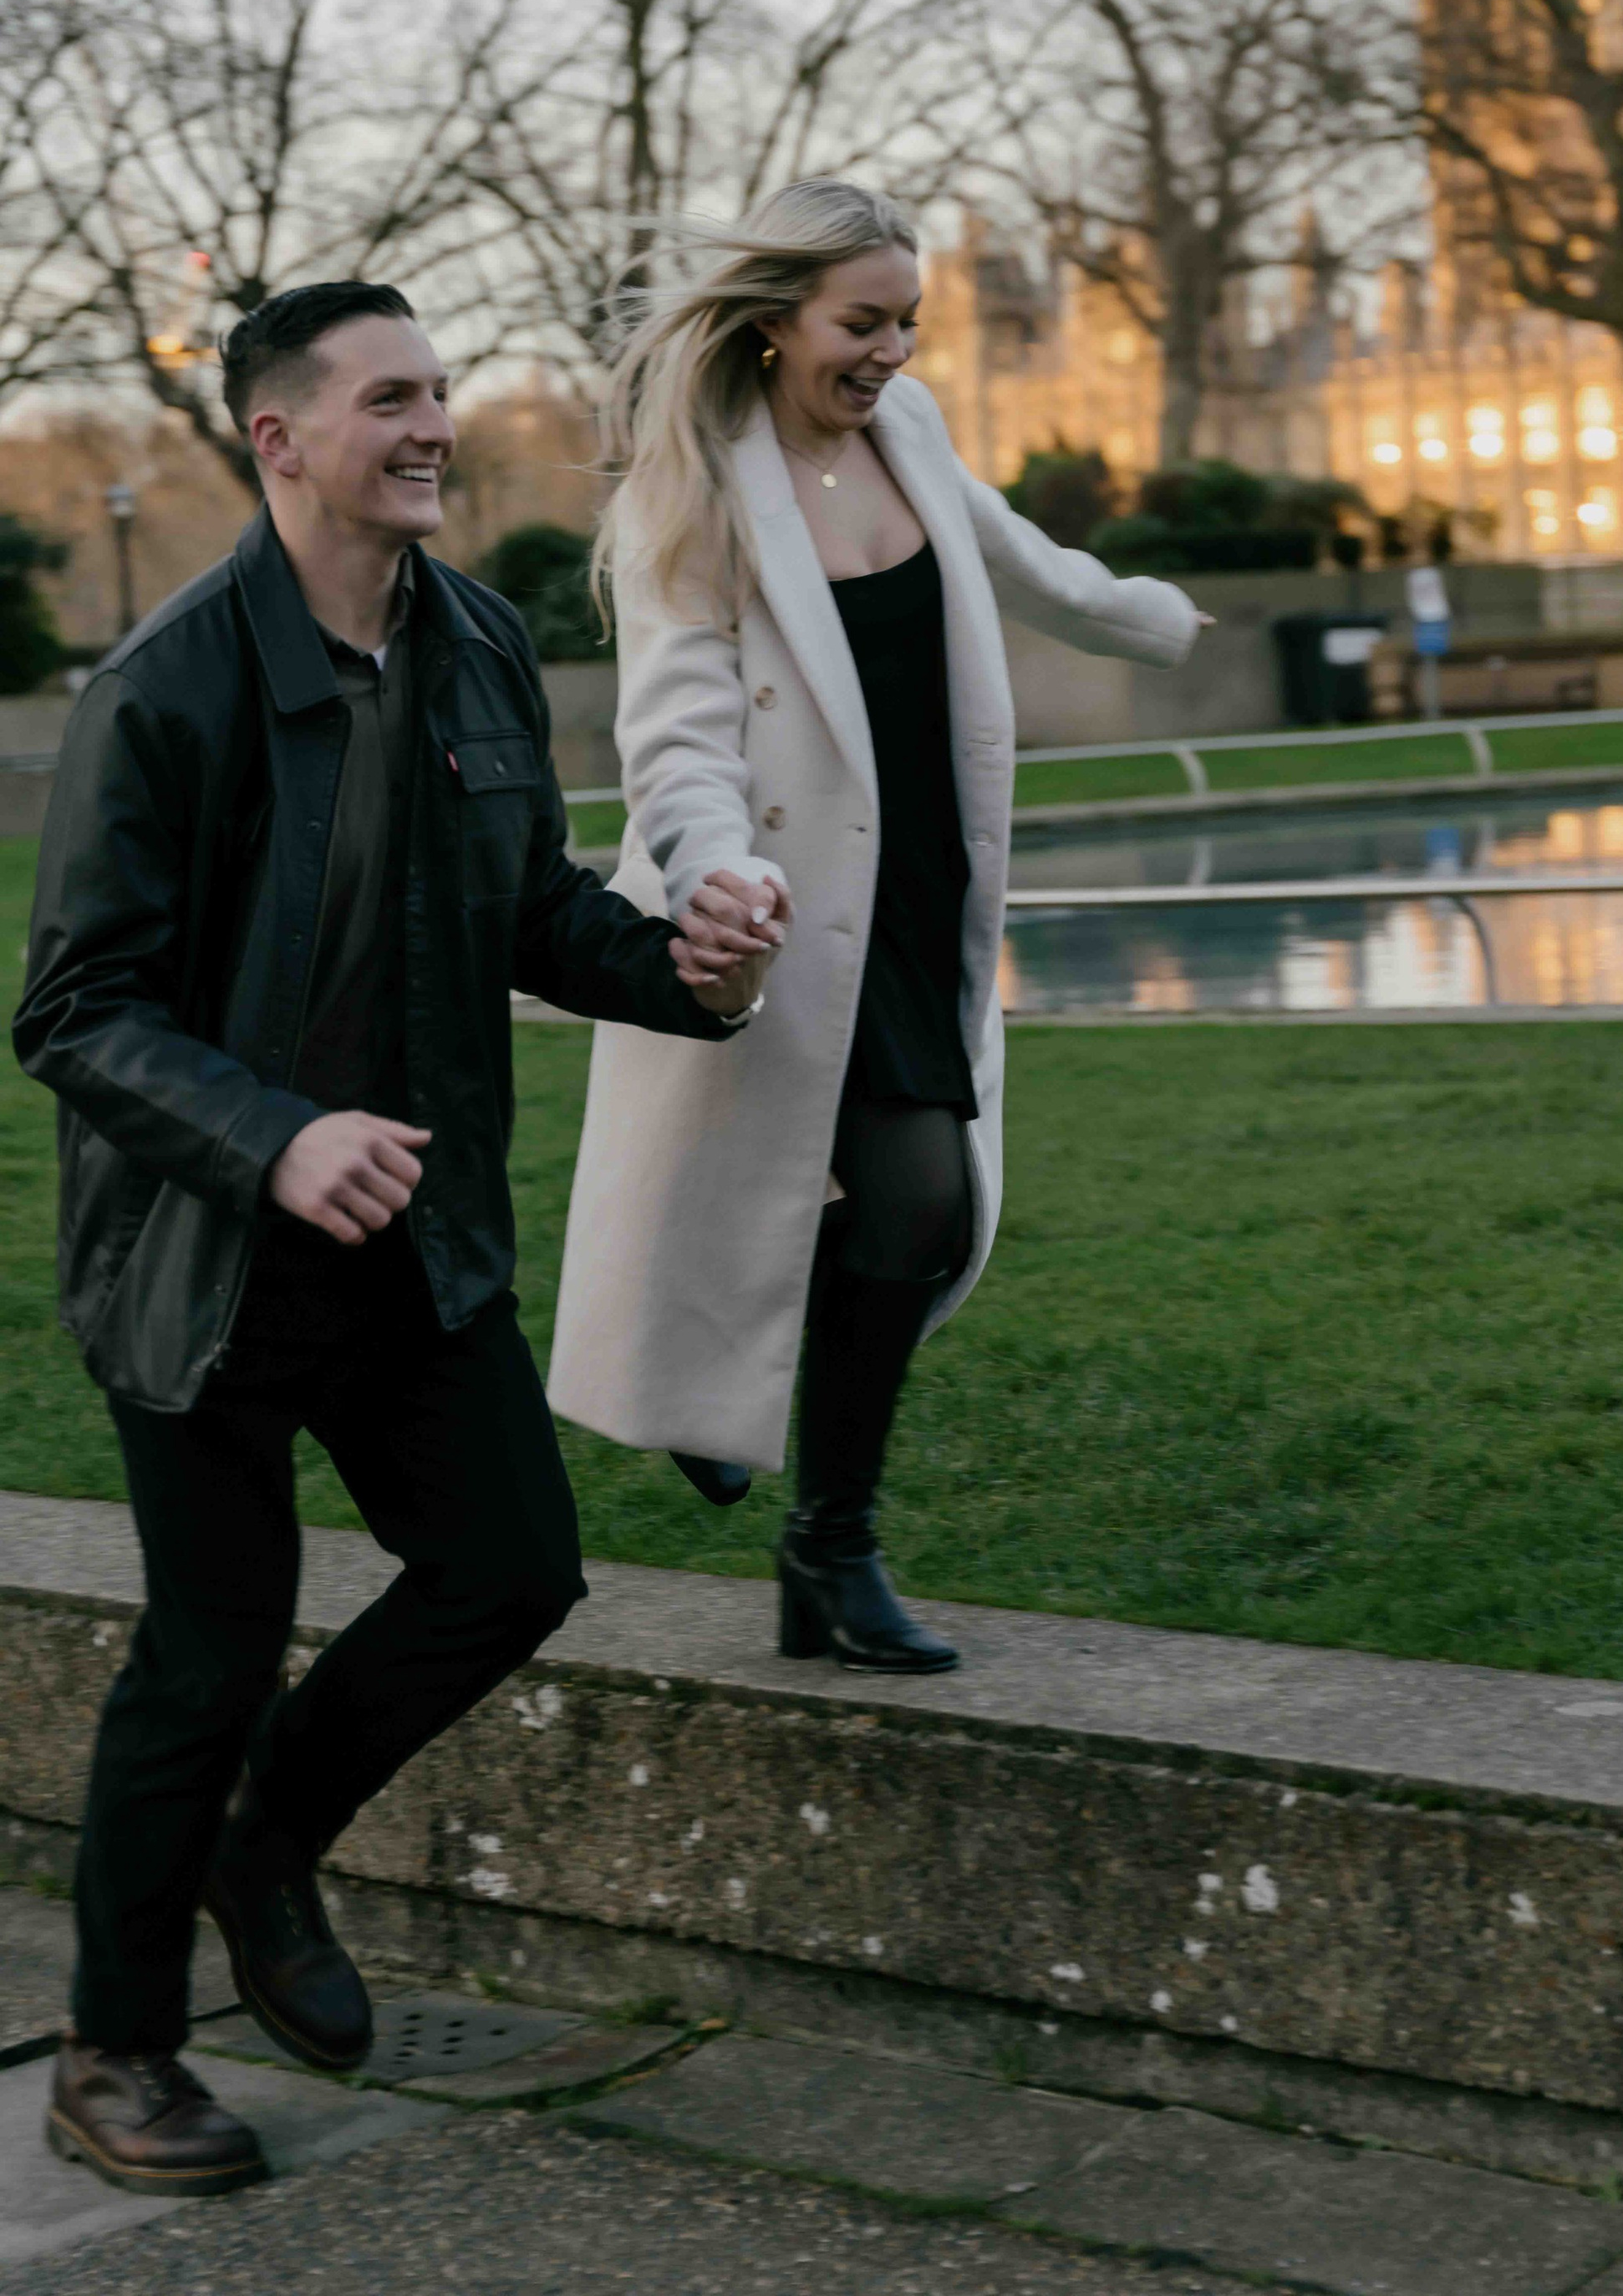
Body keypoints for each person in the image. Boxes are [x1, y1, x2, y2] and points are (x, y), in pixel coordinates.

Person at [12, 283, 761, 2203]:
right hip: (203, 1258)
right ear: (278, 439)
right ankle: (112, 2055)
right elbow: (76, 1010)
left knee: (510, 1567)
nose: (432, 425)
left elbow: (530, 910)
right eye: (388, 399)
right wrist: (272, 1138)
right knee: (206, 1650)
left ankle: (267, 1845)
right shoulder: (165, 690)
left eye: (438, 390)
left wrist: (678, 966)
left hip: (412, 1236)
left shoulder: (478, 643)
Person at [547, 181, 1204, 1673]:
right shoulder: (693, 490)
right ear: (775, 321)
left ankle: (739, 1415)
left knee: (925, 1210)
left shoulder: (909, 430)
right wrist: (716, 873)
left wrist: (1151, 618)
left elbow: (1019, 556)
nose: (894, 351)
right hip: (780, 909)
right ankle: (827, 1547)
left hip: (918, 890)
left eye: (909, 320)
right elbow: (678, 739)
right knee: (916, 1201)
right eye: (864, 322)